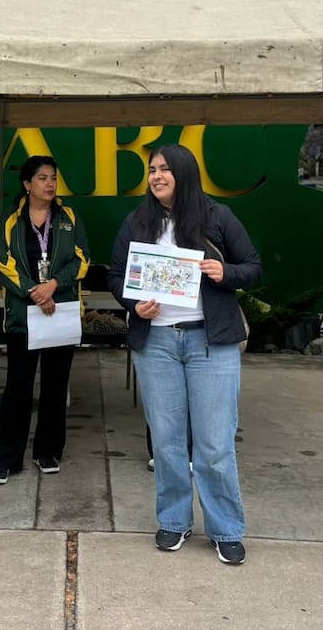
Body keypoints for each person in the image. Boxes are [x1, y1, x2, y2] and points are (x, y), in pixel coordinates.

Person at [107, 144, 260, 564]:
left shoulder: (217, 217)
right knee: (168, 441)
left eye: (164, 170)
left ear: (184, 173)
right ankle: (173, 521)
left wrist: (224, 272)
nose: (156, 176)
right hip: (156, 342)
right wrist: (133, 304)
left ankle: (225, 528)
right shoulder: (138, 220)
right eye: (152, 170)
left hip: (210, 341)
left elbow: (253, 266)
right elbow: (116, 275)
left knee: (214, 442)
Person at [0, 155, 89, 484]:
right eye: (42, 178)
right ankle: (5, 459)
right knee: (17, 387)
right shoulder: (11, 221)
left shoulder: (68, 217)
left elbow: (82, 260)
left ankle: (48, 451)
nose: (50, 184)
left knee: (56, 387)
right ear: (27, 185)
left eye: (53, 178)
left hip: (61, 312)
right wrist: (34, 291)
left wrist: (53, 286)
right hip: (23, 317)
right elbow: (1, 262)